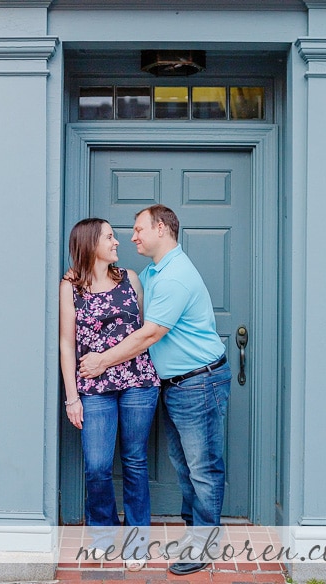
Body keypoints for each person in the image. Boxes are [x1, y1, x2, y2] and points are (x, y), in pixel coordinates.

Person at [77, 204, 231, 576]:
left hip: (199, 381)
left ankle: (204, 545)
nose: (132, 236)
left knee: (203, 468)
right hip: (176, 385)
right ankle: (196, 534)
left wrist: (101, 362)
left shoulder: (175, 276)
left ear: (160, 229)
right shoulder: (153, 272)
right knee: (184, 467)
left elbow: (150, 334)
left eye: (138, 229)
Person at [59, 218, 160, 572]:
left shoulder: (129, 279)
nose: (117, 242)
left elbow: (145, 331)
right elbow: (66, 343)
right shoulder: (71, 286)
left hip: (138, 382)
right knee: (98, 466)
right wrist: (72, 397)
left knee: (134, 461)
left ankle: (136, 543)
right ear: (90, 244)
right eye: (109, 237)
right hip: (93, 388)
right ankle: (102, 536)